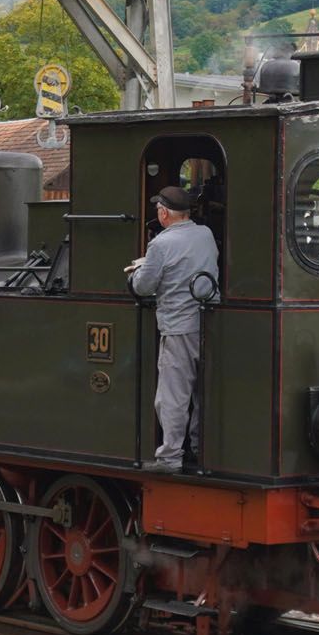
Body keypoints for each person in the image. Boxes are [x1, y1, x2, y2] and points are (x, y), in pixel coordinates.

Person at [126, 185, 220, 472]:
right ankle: (198, 446)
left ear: (164, 213)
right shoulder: (205, 234)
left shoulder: (160, 245)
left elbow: (144, 286)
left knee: (172, 397)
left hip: (178, 326)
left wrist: (136, 271)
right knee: (201, 394)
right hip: (208, 323)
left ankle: (169, 458)